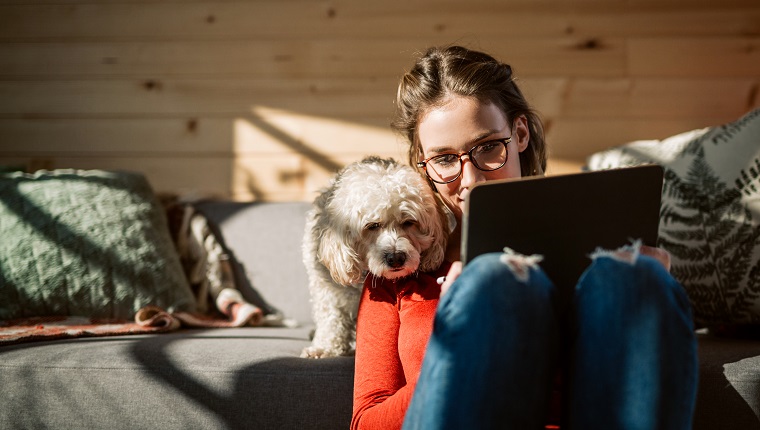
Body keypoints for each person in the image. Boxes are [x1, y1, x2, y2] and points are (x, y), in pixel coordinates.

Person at [351, 45, 698, 430]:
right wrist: (453, 342)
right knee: (494, 281)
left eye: (487, 148)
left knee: (636, 278)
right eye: (445, 159)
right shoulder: (396, 275)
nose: (471, 180)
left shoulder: (599, 263)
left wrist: (652, 290)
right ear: (424, 163)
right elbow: (365, 422)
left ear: (519, 133)